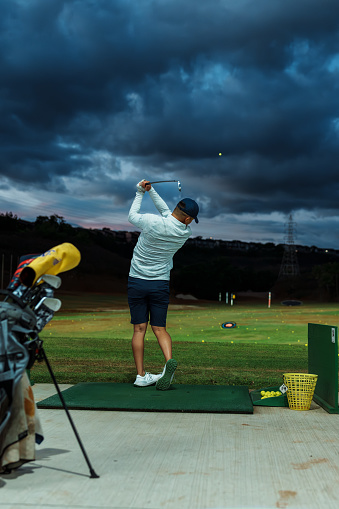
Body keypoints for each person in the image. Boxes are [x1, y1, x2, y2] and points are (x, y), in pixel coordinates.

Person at [127, 179, 199, 390]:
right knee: (160, 328)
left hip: (137, 281)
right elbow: (168, 214)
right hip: (159, 284)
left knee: (139, 329)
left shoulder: (152, 222)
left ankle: (140, 375)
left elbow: (132, 216)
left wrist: (141, 192)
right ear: (187, 218)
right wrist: (152, 191)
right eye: (191, 219)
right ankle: (168, 363)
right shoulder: (185, 233)